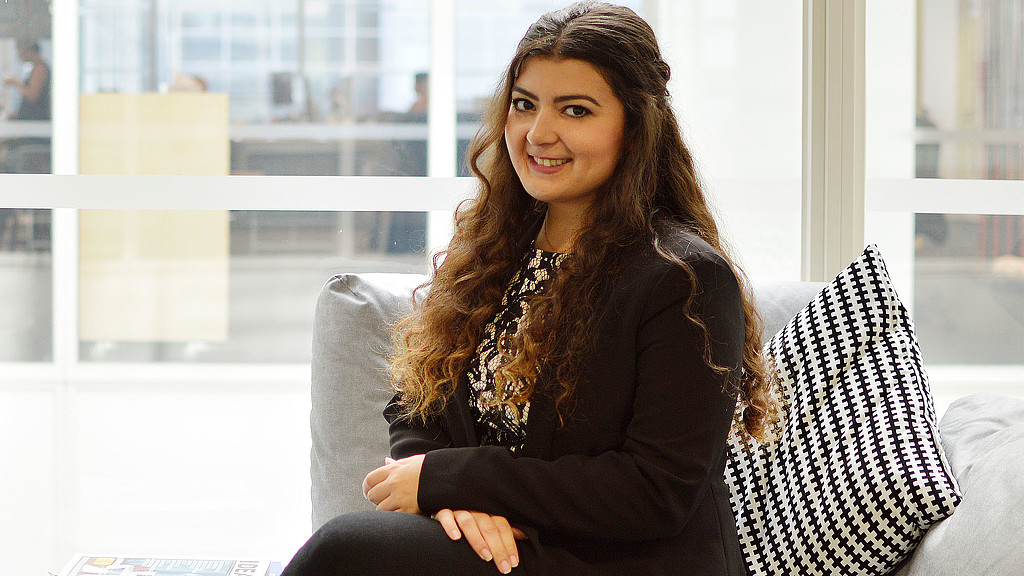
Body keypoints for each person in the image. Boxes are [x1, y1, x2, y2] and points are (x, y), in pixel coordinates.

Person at [282, 2, 780, 575]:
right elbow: (416, 401)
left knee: (347, 550)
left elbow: (655, 492)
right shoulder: (494, 250)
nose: (539, 133)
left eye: (576, 110)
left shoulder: (683, 278)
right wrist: (455, 500)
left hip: (617, 561)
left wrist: (459, 481)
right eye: (524, 105)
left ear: (636, 126)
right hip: (505, 550)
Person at [4, 40, 51, 121]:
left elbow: (32, 95)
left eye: (20, 53)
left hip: (35, 121)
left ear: (29, 51)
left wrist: (15, 82)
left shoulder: (40, 69)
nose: (19, 56)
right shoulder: (36, 67)